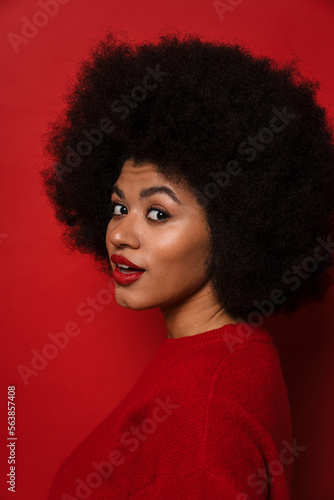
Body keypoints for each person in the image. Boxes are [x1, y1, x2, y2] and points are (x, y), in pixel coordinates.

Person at [40, 29, 334, 499]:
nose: (119, 235)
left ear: (237, 223)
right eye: (119, 207)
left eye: (158, 213)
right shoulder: (220, 359)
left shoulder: (206, 412)